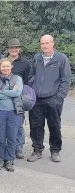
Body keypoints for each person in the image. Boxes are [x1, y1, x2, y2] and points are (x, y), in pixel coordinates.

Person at [28, 35, 72, 163]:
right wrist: (32, 88)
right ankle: (37, 150)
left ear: (53, 44)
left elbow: (66, 79)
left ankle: (55, 151)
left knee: (54, 125)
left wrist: (59, 97)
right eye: (42, 43)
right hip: (37, 98)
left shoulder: (61, 58)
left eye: (47, 43)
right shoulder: (37, 58)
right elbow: (32, 75)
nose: (44, 46)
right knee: (36, 125)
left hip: (53, 98)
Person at [0, 38, 32, 159]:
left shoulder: (25, 63)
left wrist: (17, 91)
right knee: (1, 130)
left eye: (16, 47)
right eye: (12, 47)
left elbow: (27, 82)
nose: (14, 49)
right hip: (2, 102)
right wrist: (8, 91)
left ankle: (18, 148)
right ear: (8, 49)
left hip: (17, 99)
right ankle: (1, 154)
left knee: (18, 125)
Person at [0, 58, 24, 172]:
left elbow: (17, 92)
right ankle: (0, 158)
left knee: (12, 137)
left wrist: (1, 92)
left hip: (14, 112)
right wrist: (9, 92)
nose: (5, 68)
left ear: (11, 67)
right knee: (0, 137)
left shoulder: (17, 79)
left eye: (7, 66)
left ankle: (9, 159)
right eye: (3, 66)